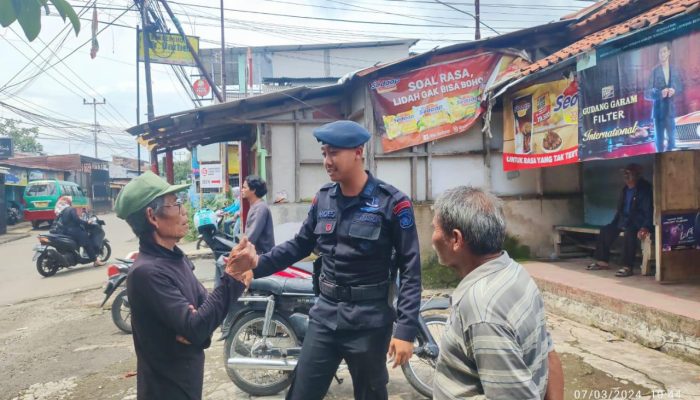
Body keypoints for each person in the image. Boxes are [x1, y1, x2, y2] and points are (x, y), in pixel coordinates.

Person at [228, 120, 422, 400]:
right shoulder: (323, 200)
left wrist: (405, 330)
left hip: (369, 321)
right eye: (324, 154)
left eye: (334, 153)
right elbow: (299, 245)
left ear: (358, 152)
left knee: (370, 395)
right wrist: (257, 264)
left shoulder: (392, 203)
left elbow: (411, 269)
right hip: (325, 315)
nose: (327, 161)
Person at [114, 171, 246, 400]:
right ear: (152, 217)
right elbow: (198, 323)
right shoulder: (146, 273)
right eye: (175, 204)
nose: (184, 210)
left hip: (188, 383)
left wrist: (198, 331)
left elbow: (205, 314)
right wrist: (233, 276)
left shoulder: (175, 257)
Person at [430, 186, 564, 400]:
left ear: (456, 239)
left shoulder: (481, 309)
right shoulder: (514, 272)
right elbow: (547, 354)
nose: (432, 237)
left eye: (434, 228)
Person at [586, 163, 653, 277]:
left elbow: (649, 210)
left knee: (629, 234)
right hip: (623, 220)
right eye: (625, 174)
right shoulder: (625, 189)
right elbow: (620, 209)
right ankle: (602, 262)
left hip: (637, 222)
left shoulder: (644, 189)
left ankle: (627, 266)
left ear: (637, 175)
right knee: (606, 230)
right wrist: (614, 223)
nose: (626, 176)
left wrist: (645, 227)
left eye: (629, 173)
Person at [646, 42, 683, 152]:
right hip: (658, 113)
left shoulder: (674, 70)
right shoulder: (654, 71)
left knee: (672, 142)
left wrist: (674, 90)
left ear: (669, 53)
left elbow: (680, 86)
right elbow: (647, 93)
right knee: (659, 144)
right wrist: (659, 94)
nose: (662, 54)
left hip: (670, 112)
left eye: (664, 52)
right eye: (660, 52)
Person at [52, 195, 104, 267]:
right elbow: (77, 220)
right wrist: (86, 223)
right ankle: (95, 261)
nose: (80, 208)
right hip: (74, 231)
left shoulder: (64, 210)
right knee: (87, 243)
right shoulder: (72, 209)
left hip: (66, 232)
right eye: (79, 206)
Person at [241, 175, 275, 254]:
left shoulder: (260, 208)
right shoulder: (255, 206)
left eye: (244, 188)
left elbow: (251, 235)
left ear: (253, 190)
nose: (242, 190)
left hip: (263, 257)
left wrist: (237, 250)